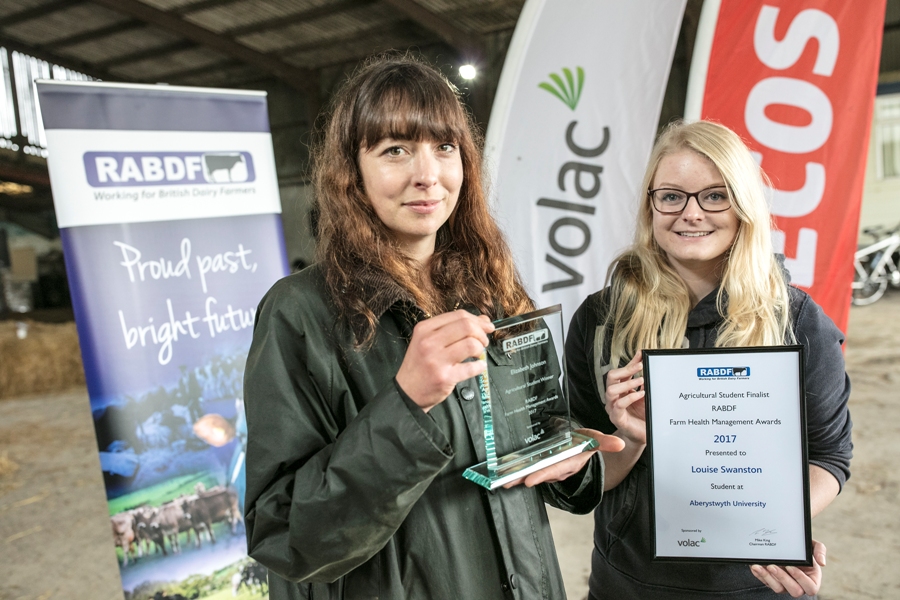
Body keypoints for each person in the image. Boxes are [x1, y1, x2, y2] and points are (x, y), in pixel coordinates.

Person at [242, 55, 623, 600]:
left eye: (444, 148)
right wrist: (405, 403)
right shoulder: (300, 314)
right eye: (395, 150)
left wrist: (568, 459)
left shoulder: (497, 289)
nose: (427, 174)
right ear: (352, 172)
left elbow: (542, 430)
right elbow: (284, 536)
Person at [565, 120, 852, 599]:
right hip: (628, 585)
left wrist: (778, 525)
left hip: (753, 585)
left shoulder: (797, 321)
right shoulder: (601, 320)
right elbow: (585, 475)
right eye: (672, 196)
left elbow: (829, 456)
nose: (691, 214)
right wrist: (629, 439)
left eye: (715, 196)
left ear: (742, 206)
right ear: (651, 205)